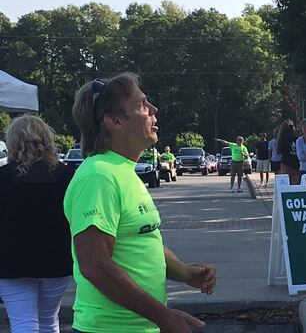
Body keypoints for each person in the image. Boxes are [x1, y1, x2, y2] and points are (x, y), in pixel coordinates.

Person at [65, 73, 216, 333]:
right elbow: (95, 265)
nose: (154, 110)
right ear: (115, 121)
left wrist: (184, 272)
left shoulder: (122, 170)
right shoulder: (99, 176)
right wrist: (163, 316)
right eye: (142, 105)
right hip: (108, 329)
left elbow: (141, 239)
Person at [0, 115, 75, 333]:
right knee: (49, 320)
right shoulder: (67, 175)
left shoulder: (2, 177)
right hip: (57, 259)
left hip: (11, 262)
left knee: (23, 323)